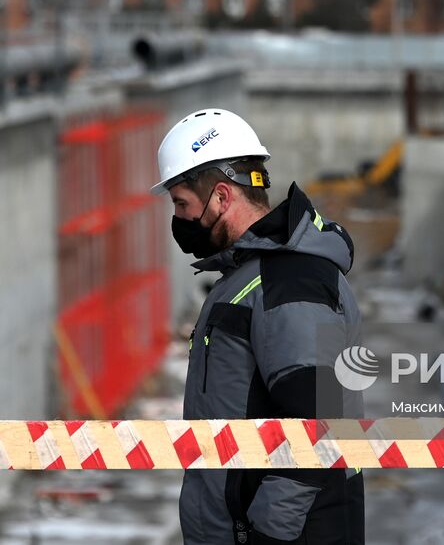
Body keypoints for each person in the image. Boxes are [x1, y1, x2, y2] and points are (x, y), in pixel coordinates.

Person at [154, 107, 365, 544]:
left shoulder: (291, 282)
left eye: (182, 204)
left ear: (221, 197)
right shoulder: (250, 278)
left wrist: (268, 534)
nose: (179, 220)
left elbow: (317, 426)